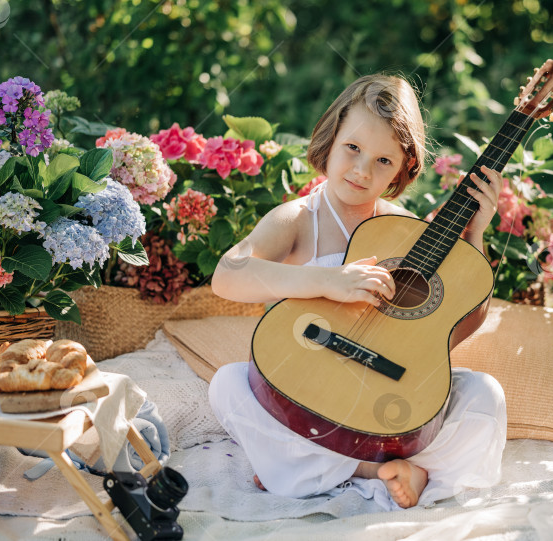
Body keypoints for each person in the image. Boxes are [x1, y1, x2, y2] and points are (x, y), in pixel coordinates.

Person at [209, 74, 507, 510]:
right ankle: (375, 469)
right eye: (353, 148)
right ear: (330, 140)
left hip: (387, 396)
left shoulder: (403, 228)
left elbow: (456, 326)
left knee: (485, 395)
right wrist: (330, 282)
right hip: (311, 387)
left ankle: (311, 467)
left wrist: (475, 238)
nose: (362, 170)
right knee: (229, 384)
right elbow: (226, 274)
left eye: (384, 161)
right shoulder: (296, 220)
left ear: (404, 169)